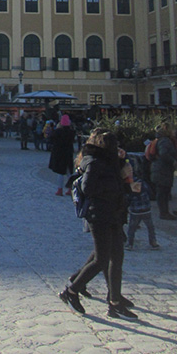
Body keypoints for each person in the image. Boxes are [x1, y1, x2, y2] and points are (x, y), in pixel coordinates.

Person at [59, 131, 137, 320]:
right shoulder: (94, 162)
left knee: (117, 257)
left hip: (113, 212)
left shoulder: (108, 162)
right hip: (99, 214)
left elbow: (115, 185)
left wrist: (126, 182)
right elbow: (89, 188)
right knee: (101, 259)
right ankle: (72, 290)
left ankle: (115, 302)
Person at [149, 122, 177, 219]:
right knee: (163, 192)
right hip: (162, 169)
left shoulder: (160, 139)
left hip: (158, 168)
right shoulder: (165, 141)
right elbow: (164, 154)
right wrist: (173, 161)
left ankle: (164, 212)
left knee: (163, 192)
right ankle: (164, 213)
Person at [125, 177, 160, 250]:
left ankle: (129, 244)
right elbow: (150, 193)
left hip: (135, 211)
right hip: (146, 209)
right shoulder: (143, 184)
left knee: (132, 228)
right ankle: (153, 242)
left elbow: (127, 199)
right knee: (150, 227)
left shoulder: (129, 187)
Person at [48, 114, 75, 196]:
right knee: (69, 172)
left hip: (59, 153)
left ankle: (60, 189)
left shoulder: (58, 131)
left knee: (60, 173)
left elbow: (50, 139)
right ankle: (70, 189)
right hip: (68, 153)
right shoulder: (71, 132)